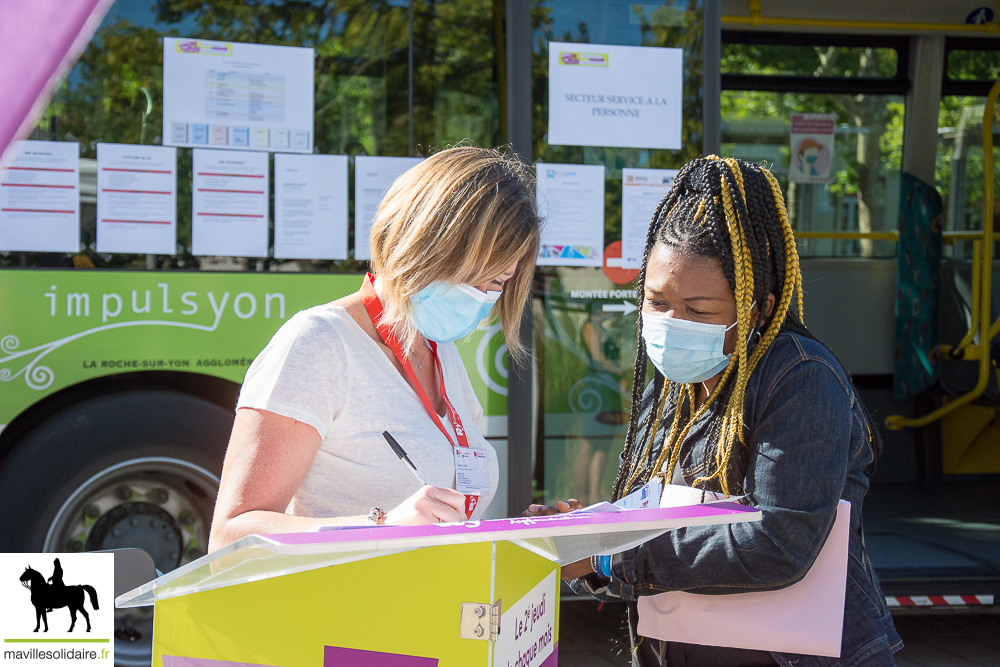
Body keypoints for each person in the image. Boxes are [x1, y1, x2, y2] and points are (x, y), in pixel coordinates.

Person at [531, 157, 902, 666]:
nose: (670, 323)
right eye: (656, 302)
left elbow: (779, 542)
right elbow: (656, 520)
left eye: (699, 310)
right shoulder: (669, 384)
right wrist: (589, 536)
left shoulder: (802, 377)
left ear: (759, 308)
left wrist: (610, 554)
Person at [208, 147, 540, 551]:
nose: (482, 298)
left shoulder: (438, 349)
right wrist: (380, 526)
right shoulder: (318, 342)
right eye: (474, 277)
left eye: (498, 283)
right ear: (423, 243)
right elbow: (230, 536)